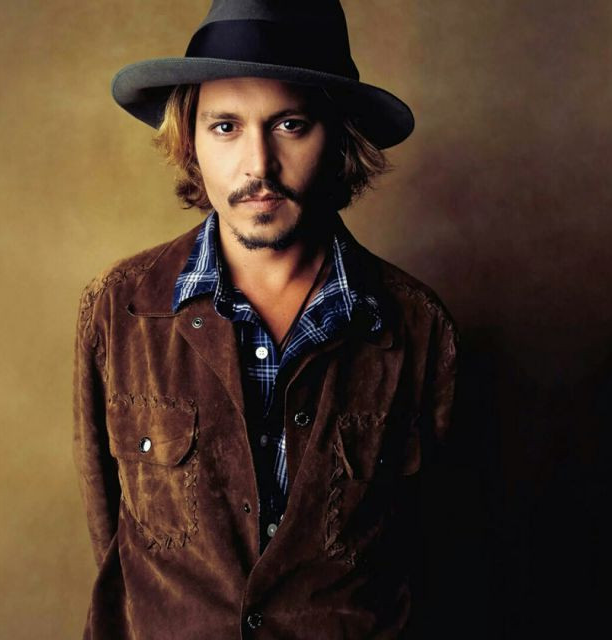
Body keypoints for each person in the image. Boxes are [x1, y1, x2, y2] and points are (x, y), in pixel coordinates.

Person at [73, 1, 458, 638]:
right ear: (190, 140)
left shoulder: (417, 328)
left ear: (338, 138)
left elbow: (435, 555)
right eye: (226, 126)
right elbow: (112, 541)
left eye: (290, 124)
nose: (258, 165)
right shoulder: (120, 309)